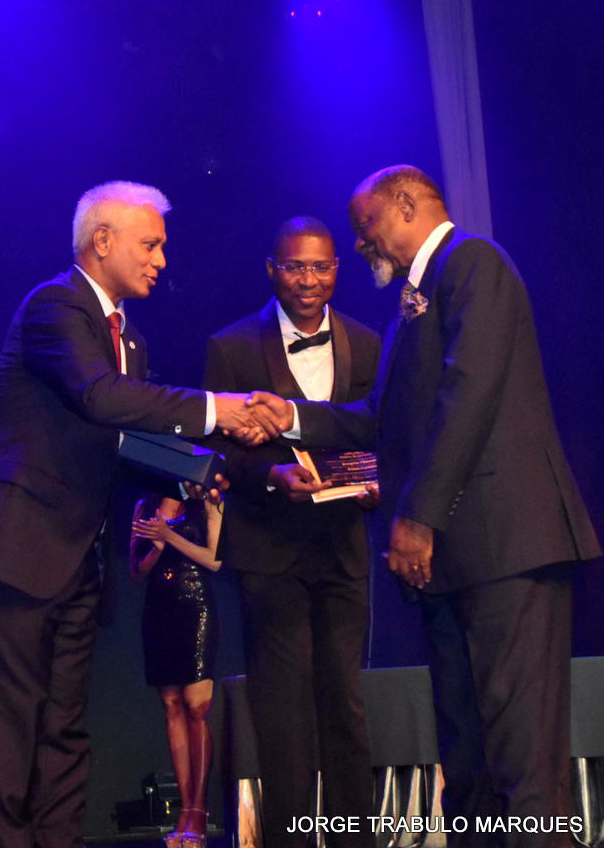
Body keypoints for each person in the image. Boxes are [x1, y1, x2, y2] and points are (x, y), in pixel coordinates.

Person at [248, 166, 601, 848]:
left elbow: (467, 394)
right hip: (451, 564)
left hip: (505, 549)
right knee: (466, 764)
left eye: (365, 225)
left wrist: (416, 517)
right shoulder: (411, 305)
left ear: (406, 204)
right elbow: (380, 417)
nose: (359, 245)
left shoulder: (473, 262)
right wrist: (288, 415)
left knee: (521, 762)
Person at [0, 181, 276, 848]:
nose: (160, 260)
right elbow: (101, 399)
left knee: (64, 729)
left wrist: (234, 467)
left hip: (78, 557)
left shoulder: (131, 343)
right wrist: (219, 408)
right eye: (149, 245)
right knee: (9, 734)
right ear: (102, 242)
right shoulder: (54, 306)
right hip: (16, 549)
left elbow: (130, 447)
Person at [201, 217, 380, 848]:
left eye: (322, 266)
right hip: (270, 550)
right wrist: (273, 475)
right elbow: (219, 452)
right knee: (281, 715)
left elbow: (375, 436)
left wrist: (377, 480)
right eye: (295, 267)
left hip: (342, 547)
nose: (309, 279)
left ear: (338, 269)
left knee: (345, 707)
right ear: (271, 269)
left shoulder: (368, 343)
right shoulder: (230, 347)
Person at [130, 495, 222, 848]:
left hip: (195, 604)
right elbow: (137, 572)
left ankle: (199, 810)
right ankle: (184, 810)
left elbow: (214, 561)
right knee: (171, 706)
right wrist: (154, 547)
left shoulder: (208, 501)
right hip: (159, 609)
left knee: (196, 706)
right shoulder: (146, 505)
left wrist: (170, 538)